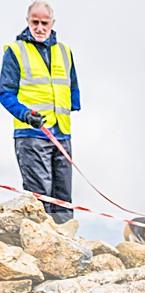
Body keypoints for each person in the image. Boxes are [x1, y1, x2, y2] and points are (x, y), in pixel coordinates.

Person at [1, 1, 80, 225]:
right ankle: (41, 247)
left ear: (52, 23)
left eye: (44, 23)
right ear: (27, 22)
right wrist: (26, 114)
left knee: (63, 197)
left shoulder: (64, 51)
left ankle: (67, 245)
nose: (39, 27)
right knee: (40, 196)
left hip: (61, 133)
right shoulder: (15, 51)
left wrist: (73, 105)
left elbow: (72, 85)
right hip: (31, 134)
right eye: (35, 22)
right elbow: (5, 93)